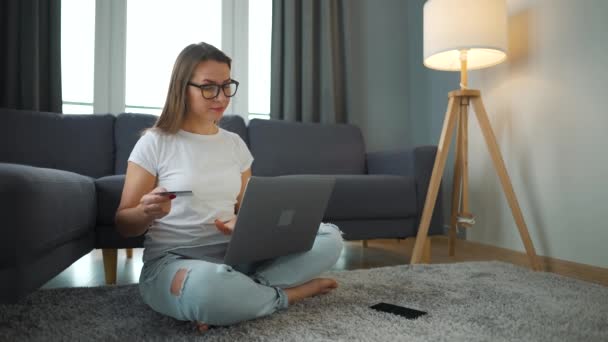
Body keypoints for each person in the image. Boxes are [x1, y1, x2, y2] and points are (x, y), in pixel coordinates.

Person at [114, 42, 344, 332]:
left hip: (237, 258)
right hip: (174, 261)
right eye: (209, 87)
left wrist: (242, 221)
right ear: (182, 88)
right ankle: (285, 294)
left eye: (226, 86)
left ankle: (239, 296)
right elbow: (123, 223)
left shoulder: (235, 144)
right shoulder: (154, 142)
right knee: (208, 288)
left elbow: (247, 208)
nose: (221, 97)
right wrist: (147, 212)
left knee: (330, 238)